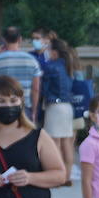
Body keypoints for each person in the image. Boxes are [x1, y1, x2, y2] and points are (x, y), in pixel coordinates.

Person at [40, 37, 77, 182]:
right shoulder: (68, 65)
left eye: (48, 49)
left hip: (55, 107)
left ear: (54, 52)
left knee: (54, 142)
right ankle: (67, 176)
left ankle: (56, 176)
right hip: (68, 107)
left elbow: (44, 87)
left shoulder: (51, 66)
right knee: (67, 142)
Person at [0, 26, 42, 117]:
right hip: (24, 105)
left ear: (3, 39)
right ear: (20, 39)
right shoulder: (32, 60)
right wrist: (34, 111)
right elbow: (36, 89)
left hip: (3, 105)